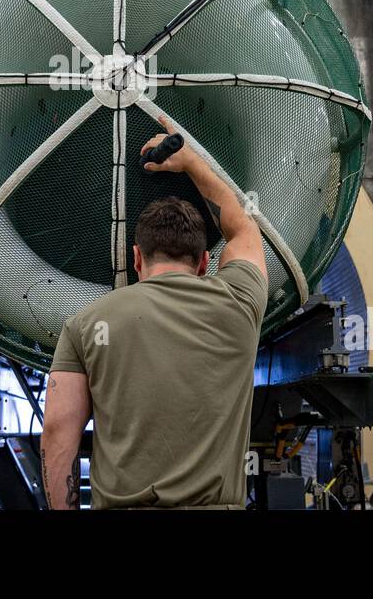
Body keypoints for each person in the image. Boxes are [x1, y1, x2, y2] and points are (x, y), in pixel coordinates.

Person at [41, 114, 268, 509]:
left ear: (135, 258)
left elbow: (59, 431)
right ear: (203, 263)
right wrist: (192, 164)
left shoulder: (85, 323)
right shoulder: (240, 303)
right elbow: (243, 231)